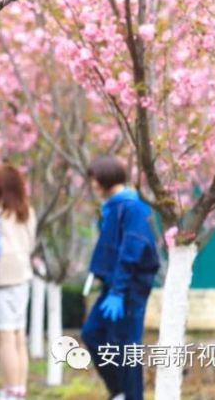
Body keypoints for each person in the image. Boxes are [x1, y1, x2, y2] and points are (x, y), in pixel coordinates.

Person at [80, 156, 160, 400]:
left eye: (94, 180)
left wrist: (118, 290)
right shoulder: (114, 207)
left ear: (104, 179)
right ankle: (120, 392)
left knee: (127, 347)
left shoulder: (132, 206)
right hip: (113, 286)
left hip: (128, 288)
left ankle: (131, 395)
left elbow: (132, 249)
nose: (92, 185)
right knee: (93, 333)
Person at [0, 165, 37, 400]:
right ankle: (19, 389)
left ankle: (9, 391)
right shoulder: (27, 212)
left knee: (5, 337)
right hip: (23, 277)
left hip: (2, 279)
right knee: (19, 336)